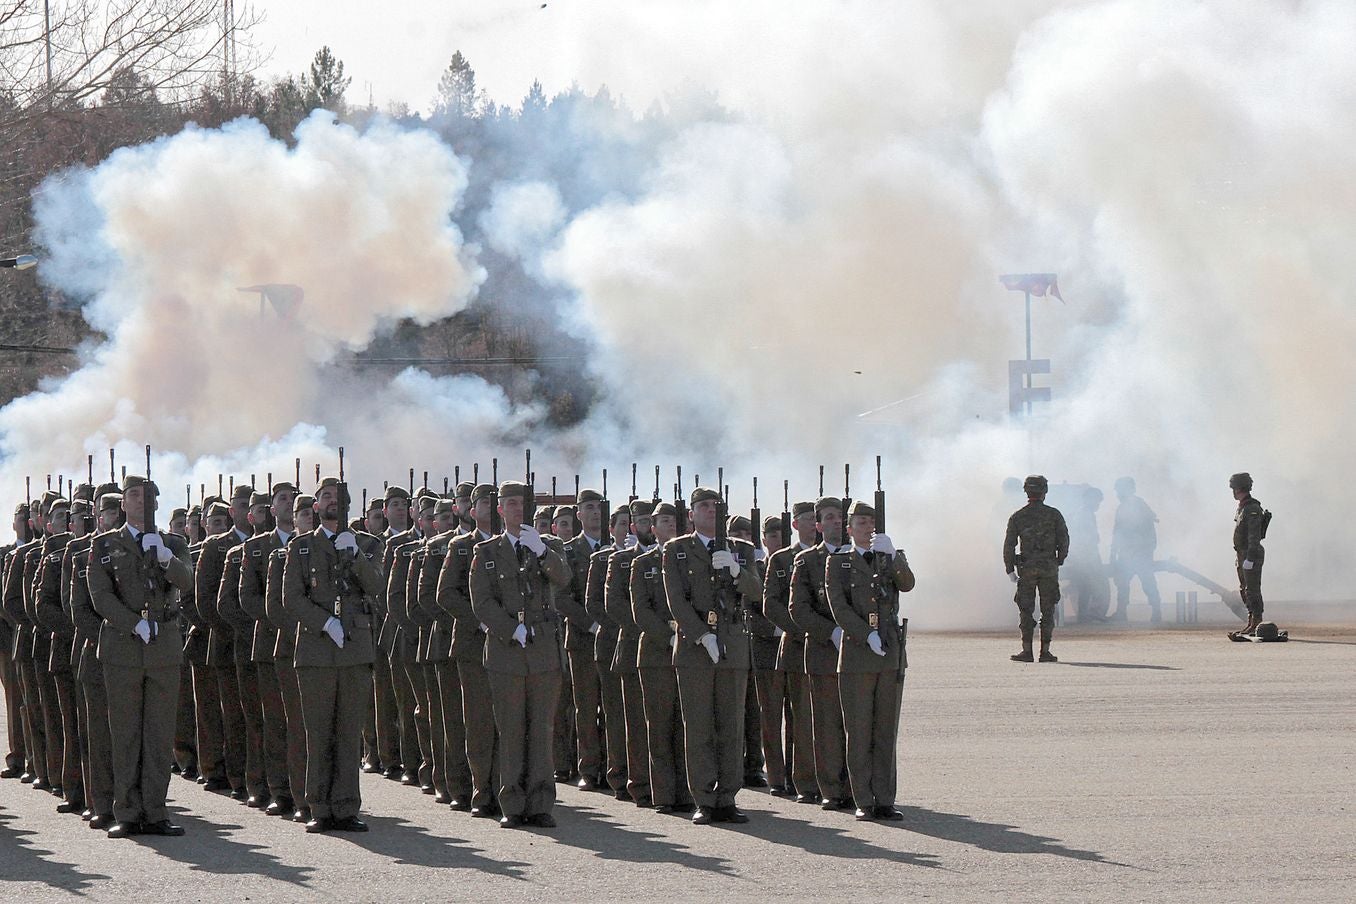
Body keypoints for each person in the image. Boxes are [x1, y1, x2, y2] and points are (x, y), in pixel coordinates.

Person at [86, 475, 194, 837]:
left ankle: (156, 811)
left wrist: (164, 558)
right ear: (123, 505)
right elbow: (100, 596)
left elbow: (187, 582)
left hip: (163, 646)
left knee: (159, 734)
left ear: (157, 504)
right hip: (123, 647)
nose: (140, 502)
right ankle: (127, 812)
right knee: (126, 733)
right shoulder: (104, 545)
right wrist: (133, 623)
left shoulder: (173, 543)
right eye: (133, 496)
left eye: (146, 496)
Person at [282, 477, 384, 833]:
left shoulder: (367, 545)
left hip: (355, 650)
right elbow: (291, 598)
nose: (330, 502)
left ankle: (346, 806)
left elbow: (377, 587)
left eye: (337, 497)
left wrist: (354, 555)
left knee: (348, 731)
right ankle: (318, 806)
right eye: (325, 497)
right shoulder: (301, 547)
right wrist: (325, 622)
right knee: (319, 731)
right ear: (315, 506)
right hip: (315, 650)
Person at [469, 480, 571, 829]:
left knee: (541, 729)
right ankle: (512, 802)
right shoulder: (486, 551)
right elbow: (481, 601)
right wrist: (511, 628)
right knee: (511, 729)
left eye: (522, 504)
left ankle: (541, 803)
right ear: (500, 509)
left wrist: (541, 551)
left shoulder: (548, 546)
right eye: (510, 503)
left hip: (544, 651)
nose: (517, 509)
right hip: (507, 651)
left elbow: (565, 578)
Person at [662, 486, 761, 825]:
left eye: (715, 507)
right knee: (700, 725)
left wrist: (736, 571)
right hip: (695, 649)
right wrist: (702, 635)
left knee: (731, 725)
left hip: (732, 645)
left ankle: (727, 797)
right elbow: (675, 599)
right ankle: (704, 798)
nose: (709, 511)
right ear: (690, 514)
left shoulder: (742, 550)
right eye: (702, 506)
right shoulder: (676, 551)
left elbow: (757, 591)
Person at [825, 500, 914, 821]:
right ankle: (863, 798)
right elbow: (839, 607)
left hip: (889, 655)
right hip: (858, 656)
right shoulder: (838, 563)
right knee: (859, 730)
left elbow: (907, 584)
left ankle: (885, 798)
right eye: (861, 522)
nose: (868, 527)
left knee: (885, 730)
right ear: (849, 529)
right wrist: (866, 634)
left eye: (872, 522)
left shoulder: (890, 555)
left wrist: (893, 556)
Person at [789, 497, 852, 811]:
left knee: (856, 724)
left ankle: (857, 786)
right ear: (816, 525)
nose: (836, 523)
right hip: (823, 653)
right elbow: (798, 608)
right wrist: (832, 631)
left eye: (840, 517)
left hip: (859, 654)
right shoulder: (807, 561)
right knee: (826, 725)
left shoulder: (862, 557)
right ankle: (830, 788)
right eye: (828, 518)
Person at [1003, 475, 1069, 663]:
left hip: (1027, 568)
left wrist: (1010, 569)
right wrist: (1059, 560)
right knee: (1048, 610)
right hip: (1049, 568)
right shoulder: (1054, 515)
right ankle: (1045, 651)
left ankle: (1027, 651)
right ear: (1045, 492)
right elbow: (1064, 540)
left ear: (1026, 491)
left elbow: (1009, 545)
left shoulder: (1018, 516)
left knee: (1025, 609)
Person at [1110, 477, 1161, 624]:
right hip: (1127, 553)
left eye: (1120, 489)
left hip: (1140, 553)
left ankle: (1156, 611)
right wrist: (1114, 554)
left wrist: (1146, 550)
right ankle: (1121, 613)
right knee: (1123, 584)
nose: (1118, 493)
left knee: (1147, 583)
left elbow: (1149, 531)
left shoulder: (1138, 505)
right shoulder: (1125, 507)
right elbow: (1117, 532)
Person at [1229, 473, 1267, 637]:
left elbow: (1254, 536)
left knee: (1252, 590)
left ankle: (1257, 621)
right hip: (1242, 554)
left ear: (1238, 488)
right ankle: (1251, 621)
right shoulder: (1243, 507)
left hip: (1250, 554)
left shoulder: (1252, 508)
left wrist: (1250, 558)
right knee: (1245, 589)